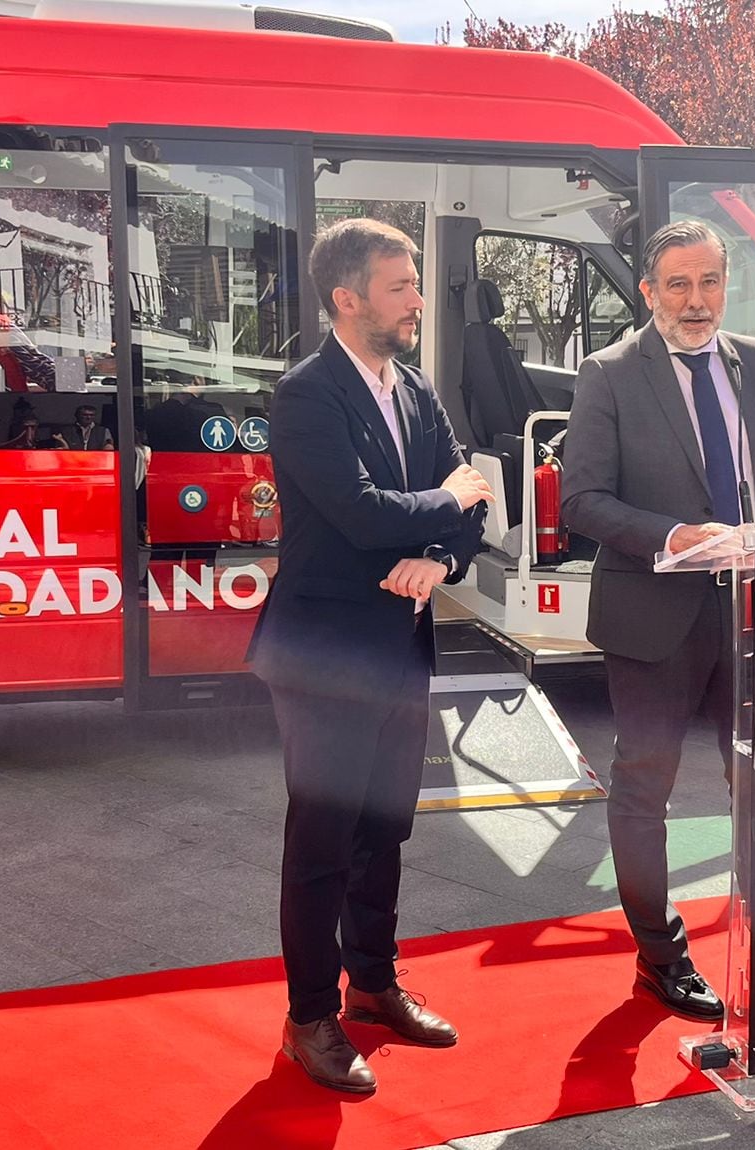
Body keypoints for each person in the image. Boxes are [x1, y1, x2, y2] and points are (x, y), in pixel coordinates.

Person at [561, 219, 755, 1021]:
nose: (695, 300)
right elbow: (583, 500)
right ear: (648, 292)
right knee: (645, 788)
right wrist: (674, 536)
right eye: (677, 284)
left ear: (727, 285)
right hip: (652, 617)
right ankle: (659, 955)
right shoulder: (608, 373)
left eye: (709, 282)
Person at [247, 218, 490, 1095]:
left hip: (399, 647)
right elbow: (361, 511)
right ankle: (308, 1016)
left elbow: (472, 508)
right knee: (323, 838)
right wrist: (443, 501)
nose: (419, 299)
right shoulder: (307, 395)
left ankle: (373, 983)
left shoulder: (416, 389)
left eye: (415, 283)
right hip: (321, 655)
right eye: (401, 286)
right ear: (348, 299)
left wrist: (443, 554)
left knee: (385, 826)